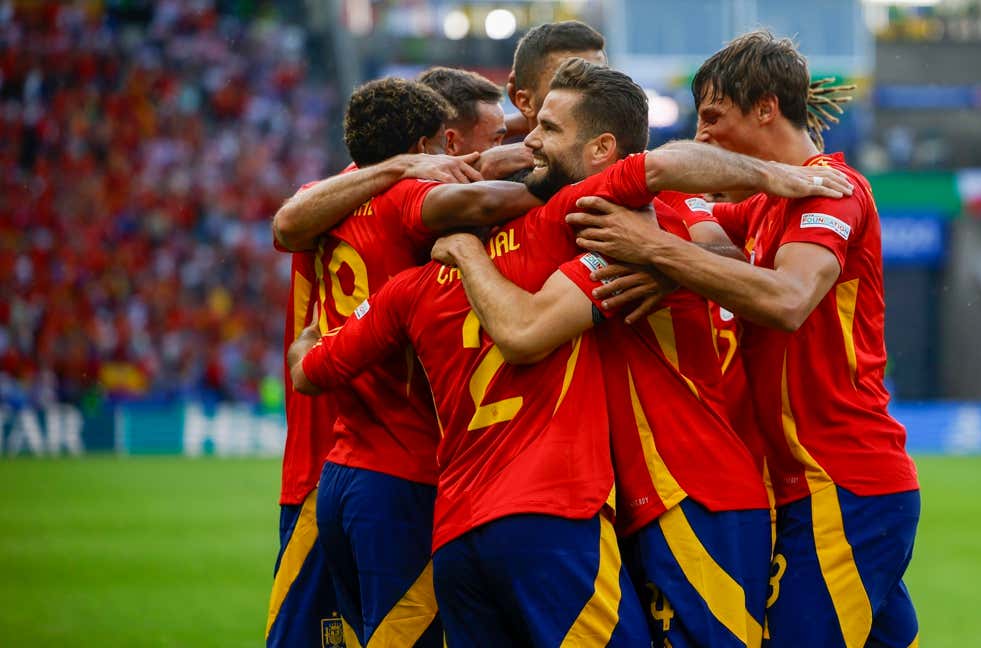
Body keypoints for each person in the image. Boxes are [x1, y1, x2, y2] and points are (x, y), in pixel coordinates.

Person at [288, 58, 849, 648]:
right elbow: (529, 327)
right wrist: (770, 181)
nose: (526, 137)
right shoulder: (569, 222)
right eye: (518, 130)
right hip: (562, 514)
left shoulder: (415, 284)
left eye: (544, 129)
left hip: (479, 522)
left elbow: (312, 364)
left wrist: (670, 261)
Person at [566, 32, 922, 647]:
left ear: (765, 107)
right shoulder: (762, 206)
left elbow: (786, 301)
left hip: (841, 481)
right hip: (807, 487)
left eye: (712, 118)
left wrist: (654, 252)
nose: (701, 137)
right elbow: (689, 224)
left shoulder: (833, 192)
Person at [272, 75, 537, 647]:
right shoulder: (405, 197)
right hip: (403, 470)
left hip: (346, 463)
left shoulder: (338, 195)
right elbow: (481, 200)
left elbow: (287, 222)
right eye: (450, 149)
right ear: (426, 147)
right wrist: (570, 179)